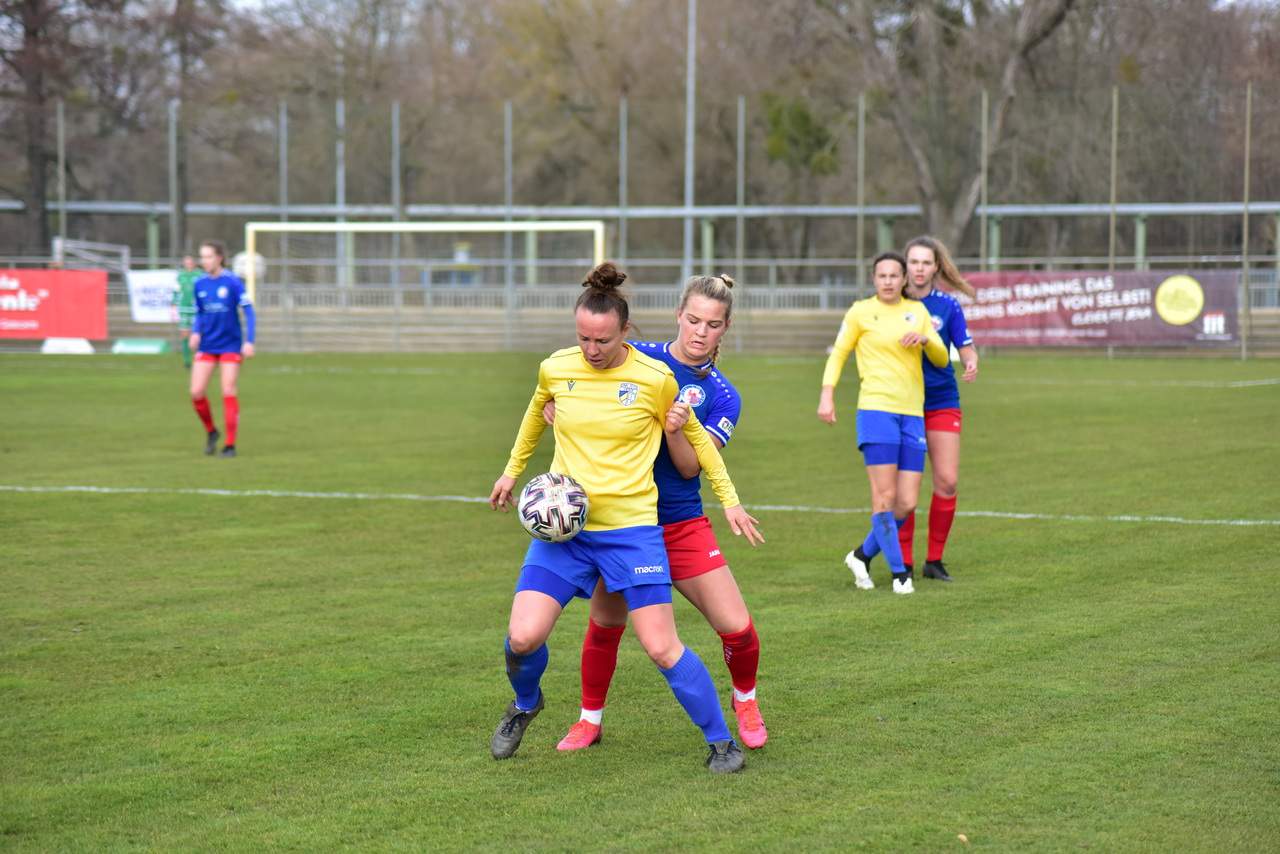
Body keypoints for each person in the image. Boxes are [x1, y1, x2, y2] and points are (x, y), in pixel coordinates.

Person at [488, 262, 764, 774]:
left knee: (662, 646)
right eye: (584, 338)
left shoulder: (655, 377)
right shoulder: (557, 367)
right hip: (568, 531)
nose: (592, 349)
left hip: (635, 530)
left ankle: (722, 742)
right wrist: (511, 472)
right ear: (678, 317)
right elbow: (535, 410)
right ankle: (527, 704)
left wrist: (728, 497)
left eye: (602, 340)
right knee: (523, 637)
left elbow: (696, 448)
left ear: (625, 333)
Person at [817, 252, 948, 595]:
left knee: (905, 502)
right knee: (884, 496)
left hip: (912, 415)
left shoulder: (917, 312)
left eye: (894, 275)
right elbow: (839, 354)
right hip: (876, 411)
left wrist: (926, 339)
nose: (888, 281)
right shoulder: (861, 311)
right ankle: (899, 574)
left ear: (904, 279)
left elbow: (942, 357)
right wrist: (826, 395)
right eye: (882, 275)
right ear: (874, 279)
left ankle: (861, 556)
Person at [899, 235, 978, 582]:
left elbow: (966, 345)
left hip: (942, 400)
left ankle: (935, 559)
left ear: (936, 267)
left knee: (946, 481)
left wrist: (971, 363)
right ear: (906, 266)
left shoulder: (948, 306)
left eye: (925, 262)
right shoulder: (890, 304)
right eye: (913, 262)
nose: (919, 269)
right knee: (906, 489)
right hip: (902, 404)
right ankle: (903, 562)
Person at [189, 240, 256, 458]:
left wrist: (249, 341)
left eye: (208, 256)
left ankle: (230, 445)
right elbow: (199, 313)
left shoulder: (233, 282)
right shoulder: (199, 284)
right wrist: (196, 331)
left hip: (230, 345)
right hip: (208, 344)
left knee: (228, 390)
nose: (204, 261)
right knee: (196, 392)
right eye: (202, 256)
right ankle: (211, 431)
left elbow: (249, 312)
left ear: (219, 258)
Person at [173, 254, 199, 368]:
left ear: (194, 263)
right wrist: (173, 303)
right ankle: (187, 360)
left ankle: (199, 358)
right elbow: (176, 290)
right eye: (186, 262)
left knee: (197, 334)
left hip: (196, 308)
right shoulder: (180, 275)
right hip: (183, 308)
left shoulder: (199, 274)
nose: (188, 264)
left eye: (190, 262)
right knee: (184, 334)